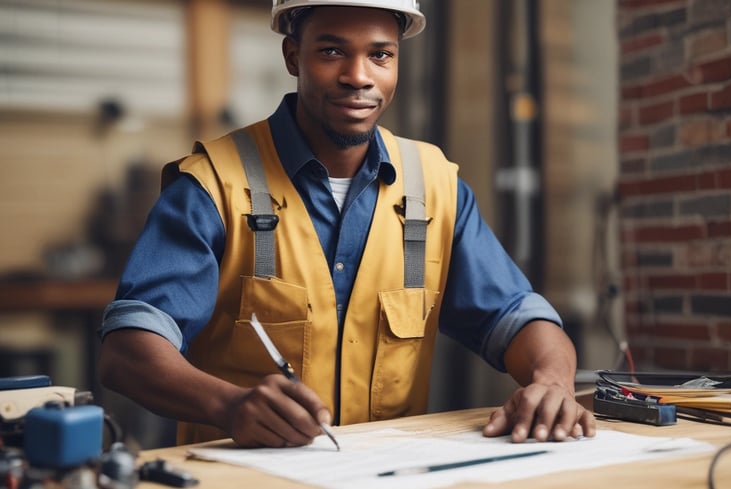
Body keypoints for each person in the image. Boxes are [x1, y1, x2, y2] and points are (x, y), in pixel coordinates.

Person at [98, 0, 596, 448]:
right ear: (293, 56)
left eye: (381, 55)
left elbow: (516, 317)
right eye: (333, 51)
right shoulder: (212, 186)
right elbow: (128, 352)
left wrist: (551, 383)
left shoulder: (435, 187)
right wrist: (228, 406)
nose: (359, 76)